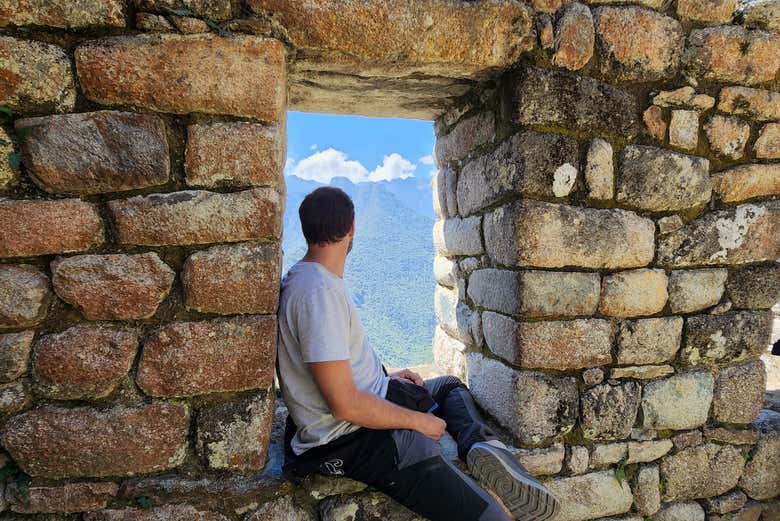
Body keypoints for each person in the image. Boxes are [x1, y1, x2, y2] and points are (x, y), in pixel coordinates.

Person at [276, 186, 559, 521]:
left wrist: (385, 376)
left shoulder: (309, 280)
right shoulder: (318, 293)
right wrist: (419, 421)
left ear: (306, 228)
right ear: (352, 227)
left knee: (449, 386)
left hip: (367, 403)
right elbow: (344, 404)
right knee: (491, 517)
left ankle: (483, 451)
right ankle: (483, 453)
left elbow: (334, 366)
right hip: (354, 439)